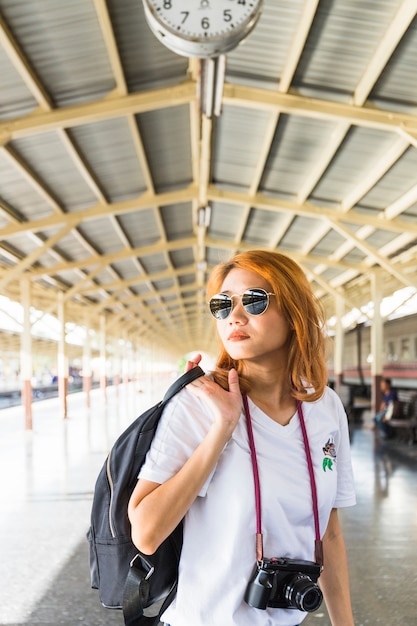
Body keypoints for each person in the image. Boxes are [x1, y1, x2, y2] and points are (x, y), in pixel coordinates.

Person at [128, 249, 356, 626]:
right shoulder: (198, 404)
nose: (234, 316)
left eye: (254, 300)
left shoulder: (325, 406)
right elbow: (147, 533)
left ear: (295, 314)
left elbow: (328, 533)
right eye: (222, 305)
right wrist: (222, 428)